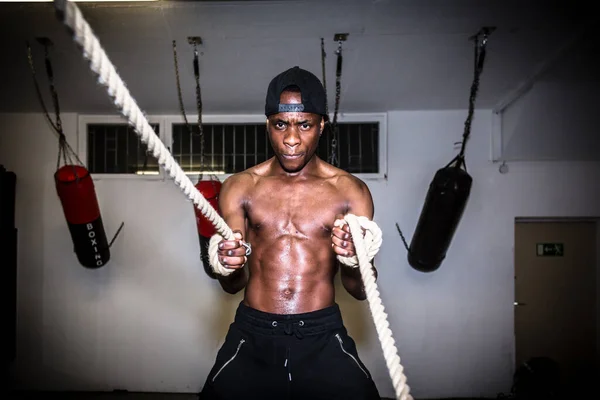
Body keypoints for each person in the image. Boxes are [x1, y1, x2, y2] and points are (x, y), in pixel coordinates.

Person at [198, 66, 381, 400]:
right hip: (252, 334)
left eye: (305, 125)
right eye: (280, 124)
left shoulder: (350, 192)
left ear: (322, 125)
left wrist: (354, 259)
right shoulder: (240, 187)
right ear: (268, 124)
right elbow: (231, 285)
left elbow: (360, 290)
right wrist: (227, 263)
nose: (291, 139)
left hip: (322, 334)